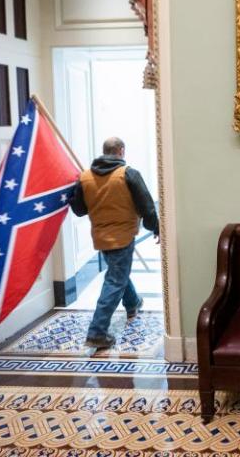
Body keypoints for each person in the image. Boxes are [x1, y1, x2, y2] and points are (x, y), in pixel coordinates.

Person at [70, 137, 159, 350]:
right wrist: (156, 227)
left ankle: (132, 303)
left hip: (100, 237)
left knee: (117, 273)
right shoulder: (128, 174)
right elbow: (146, 205)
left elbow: (79, 210)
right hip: (123, 236)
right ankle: (97, 332)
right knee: (115, 280)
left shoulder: (85, 178)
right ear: (121, 151)